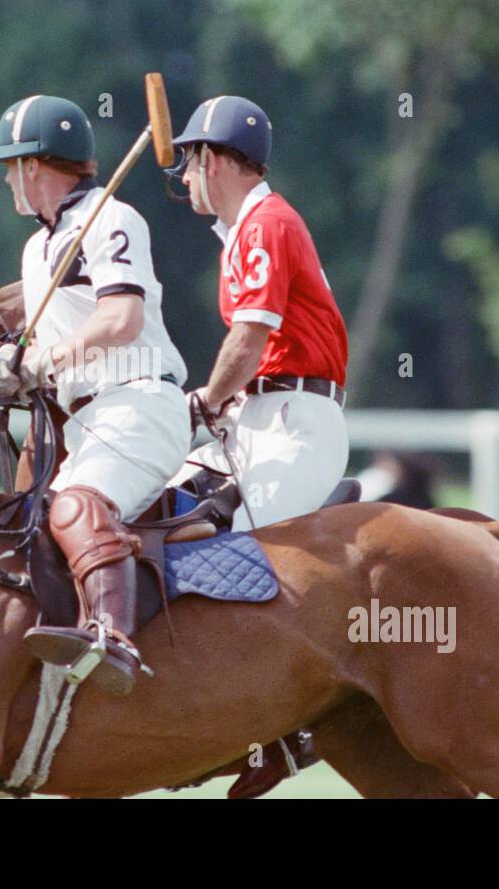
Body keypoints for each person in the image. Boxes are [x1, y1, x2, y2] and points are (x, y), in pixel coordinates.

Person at [165, 94, 350, 797]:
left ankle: (287, 728)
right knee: (154, 514)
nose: (184, 181)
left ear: (212, 160)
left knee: (226, 555)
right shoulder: (248, 229)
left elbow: (250, 338)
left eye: (188, 165)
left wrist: (206, 401)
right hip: (262, 416)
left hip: (295, 425)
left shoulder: (267, 222)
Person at [0, 94, 190, 696]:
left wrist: (43, 359)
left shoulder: (112, 220)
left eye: (10, 168)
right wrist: (11, 359)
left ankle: (112, 639)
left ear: (36, 166)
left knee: (75, 503)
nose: (7, 183)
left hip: (138, 403)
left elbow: (120, 318)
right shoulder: (38, 245)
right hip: (81, 418)